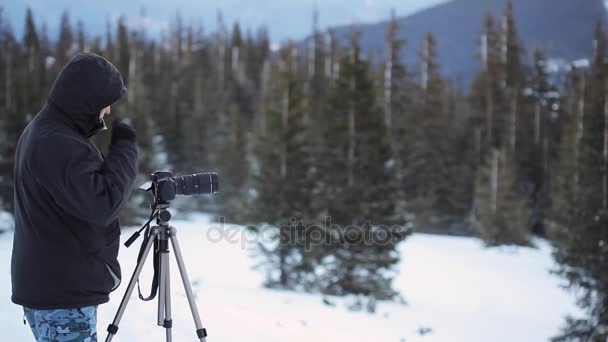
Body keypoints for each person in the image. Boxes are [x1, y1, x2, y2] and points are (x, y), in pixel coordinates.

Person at [11, 53, 138, 341]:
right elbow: (103, 203)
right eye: (104, 102)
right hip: (61, 298)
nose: (106, 111)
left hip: (56, 290)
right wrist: (125, 148)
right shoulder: (58, 142)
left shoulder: (48, 131)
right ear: (86, 99)